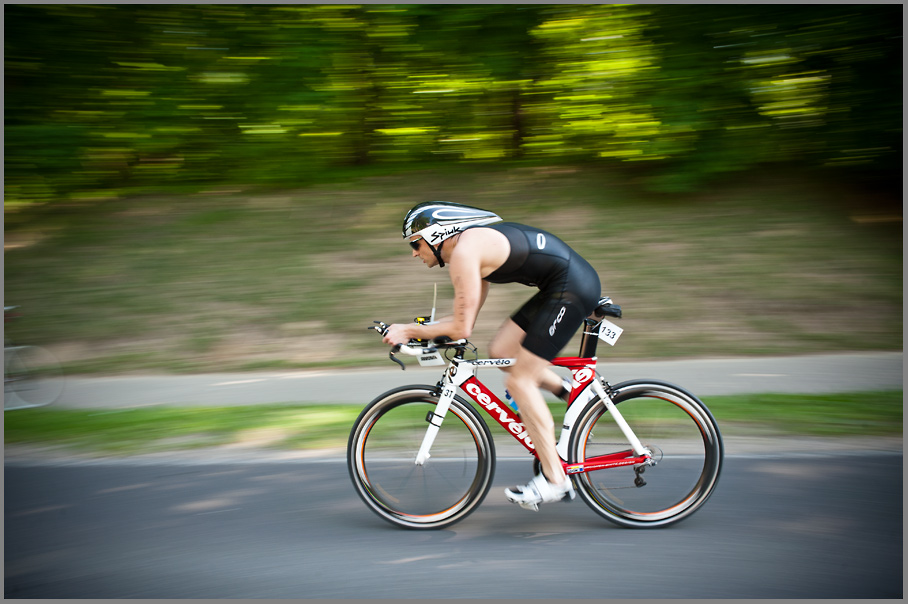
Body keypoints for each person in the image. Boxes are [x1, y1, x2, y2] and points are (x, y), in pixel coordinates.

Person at [382, 201, 601, 511]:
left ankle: (556, 481)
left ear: (437, 235)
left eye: (416, 244)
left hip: (571, 288)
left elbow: (461, 327)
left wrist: (407, 331)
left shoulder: (464, 253)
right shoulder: (470, 248)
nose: (414, 253)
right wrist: (428, 331)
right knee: (501, 351)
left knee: (521, 381)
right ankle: (569, 393)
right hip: (560, 286)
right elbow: (464, 319)